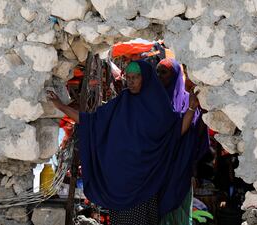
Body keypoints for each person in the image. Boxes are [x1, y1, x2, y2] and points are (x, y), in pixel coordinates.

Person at [47, 60, 200, 225]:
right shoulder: (121, 102)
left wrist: (191, 108)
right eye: (129, 77)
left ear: (146, 78)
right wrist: (61, 106)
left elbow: (176, 131)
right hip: (120, 182)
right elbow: (91, 122)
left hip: (146, 182)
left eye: (136, 77)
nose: (131, 82)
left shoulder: (159, 107)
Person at [156, 58, 209, 225]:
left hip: (180, 168)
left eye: (163, 72)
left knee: (179, 211)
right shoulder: (153, 101)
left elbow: (197, 135)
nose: (159, 76)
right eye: (157, 72)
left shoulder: (189, 101)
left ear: (175, 75)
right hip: (158, 169)